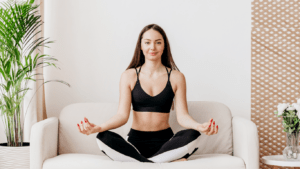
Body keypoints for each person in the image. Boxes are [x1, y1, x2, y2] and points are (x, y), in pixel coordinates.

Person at [77, 24, 219, 163]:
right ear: (141, 46)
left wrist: (198, 126)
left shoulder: (176, 77)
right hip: (135, 143)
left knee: (193, 134)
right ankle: (158, 161)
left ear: (164, 46)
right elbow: (122, 115)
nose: (152, 47)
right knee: (103, 137)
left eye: (158, 42)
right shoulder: (129, 76)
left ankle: (143, 162)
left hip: (166, 143)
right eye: (147, 42)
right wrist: (99, 127)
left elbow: (182, 117)